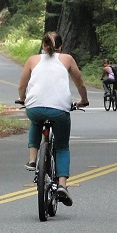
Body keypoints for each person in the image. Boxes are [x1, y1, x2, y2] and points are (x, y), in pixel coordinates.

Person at [17, 31, 89, 206]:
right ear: (60, 47)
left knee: (36, 119)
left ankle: (33, 159)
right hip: (60, 110)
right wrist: (83, 101)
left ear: (43, 45)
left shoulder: (32, 60)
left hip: (35, 107)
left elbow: (22, 85)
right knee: (62, 147)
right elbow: (80, 83)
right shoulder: (67, 59)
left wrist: (23, 99)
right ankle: (62, 185)